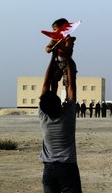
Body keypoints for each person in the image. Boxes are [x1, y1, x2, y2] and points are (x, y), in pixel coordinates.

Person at [38, 56, 82, 192]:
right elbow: (71, 85)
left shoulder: (43, 115)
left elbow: (46, 84)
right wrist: (67, 58)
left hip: (49, 169)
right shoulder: (67, 116)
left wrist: (52, 58)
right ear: (59, 103)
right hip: (67, 167)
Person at [45, 18, 77, 99]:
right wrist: (49, 49)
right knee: (53, 79)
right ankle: (53, 94)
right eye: (53, 30)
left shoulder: (68, 39)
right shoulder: (55, 39)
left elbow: (68, 49)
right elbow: (48, 47)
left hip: (67, 64)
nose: (54, 31)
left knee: (67, 82)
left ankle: (67, 97)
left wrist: (60, 46)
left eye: (55, 29)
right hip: (58, 63)